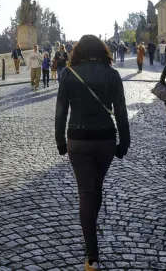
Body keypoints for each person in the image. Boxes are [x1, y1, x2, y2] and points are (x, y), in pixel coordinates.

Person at [55, 35, 130, 271]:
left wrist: (60, 141)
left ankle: (92, 257)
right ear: (102, 51)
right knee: (94, 188)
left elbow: (60, 112)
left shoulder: (69, 74)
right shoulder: (112, 74)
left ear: (78, 52)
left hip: (78, 138)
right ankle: (91, 238)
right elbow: (121, 113)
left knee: (88, 191)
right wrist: (124, 143)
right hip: (105, 138)